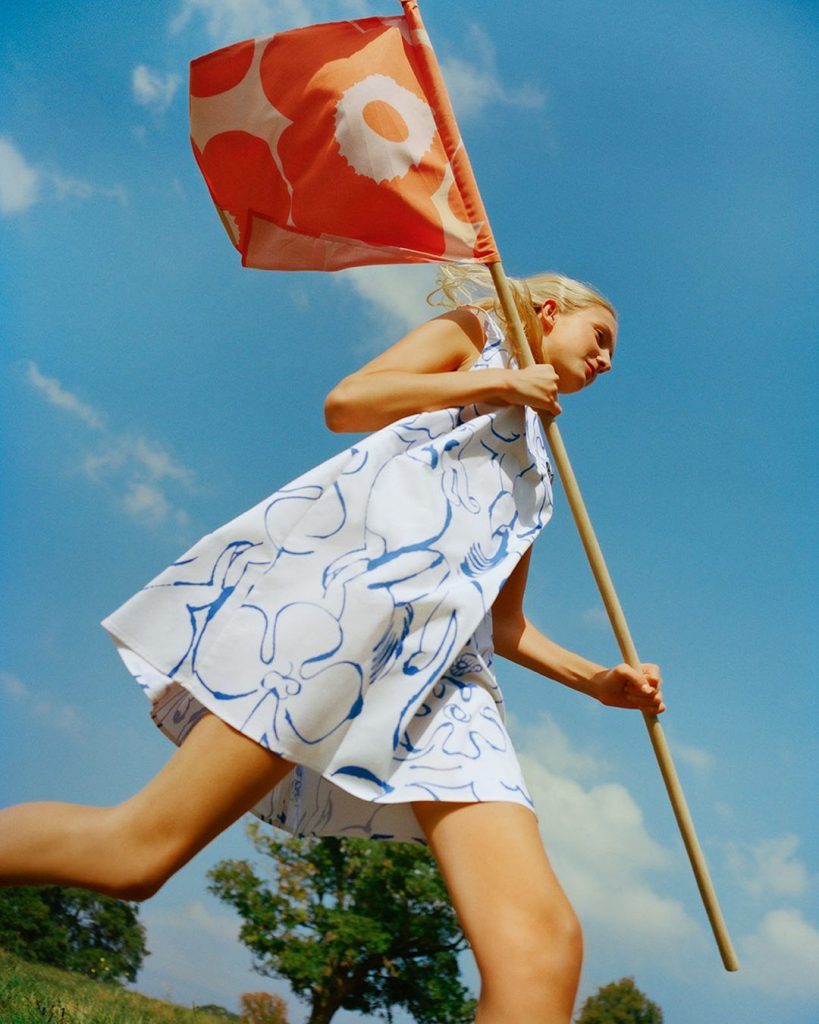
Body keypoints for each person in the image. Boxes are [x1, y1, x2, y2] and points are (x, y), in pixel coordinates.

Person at [0, 265, 664, 1024]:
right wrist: (502, 381)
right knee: (134, 859)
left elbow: (502, 622)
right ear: (547, 311)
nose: (605, 360)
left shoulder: (541, 469)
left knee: (542, 945)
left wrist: (595, 682)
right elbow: (347, 402)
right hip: (347, 629)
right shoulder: (478, 338)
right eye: (599, 337)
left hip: (451, 682)